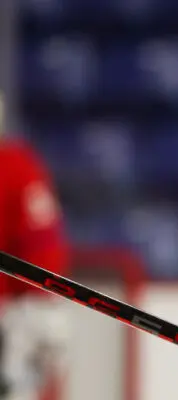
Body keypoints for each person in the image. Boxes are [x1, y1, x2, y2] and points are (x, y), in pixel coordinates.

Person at [0, 91, 70, 400]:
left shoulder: (16, 166)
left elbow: (42, 250)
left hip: (20, 313)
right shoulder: (21, 163)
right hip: (37, 310)